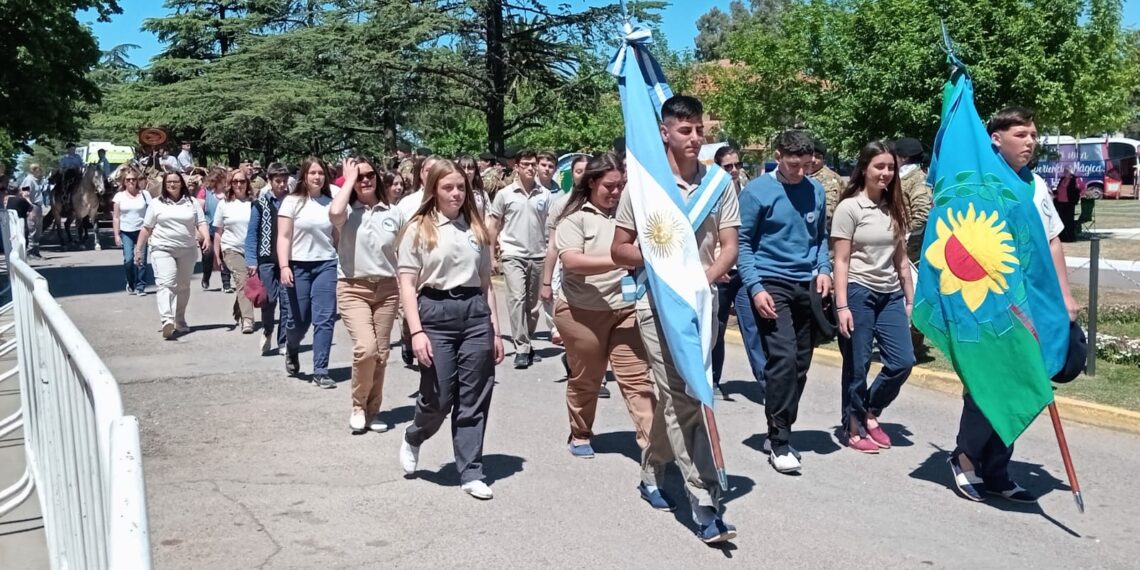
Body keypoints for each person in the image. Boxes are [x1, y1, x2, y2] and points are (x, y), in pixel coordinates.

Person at [611, 95, 740, 543]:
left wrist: (701, 280)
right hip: (655, 304)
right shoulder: (645, 188)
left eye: (699, 130)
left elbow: (729, 246)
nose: (695, 138)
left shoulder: (719, 183)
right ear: (664, 132)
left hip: (702, 302)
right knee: (684, 397)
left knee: (678, 399)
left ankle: (651, 473)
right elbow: (619, 249)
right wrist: (661, 261)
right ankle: (705, 503)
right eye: (685, 131)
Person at [949, 107, 1078, 504]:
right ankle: (965, 458)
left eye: (1034, 134)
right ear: (995, 138)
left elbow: (1052, 240)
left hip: (1033, 304)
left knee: (1026, 383)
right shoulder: (979, 184)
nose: (1030, 141)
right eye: (1021, 134)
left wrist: (1065, 297)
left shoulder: (1036, 185)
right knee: (990, 383)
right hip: (990, 305)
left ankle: (998, 469)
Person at [554, 153, 667, 493]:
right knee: (587, 378)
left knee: (637, 381)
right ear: (591, 183)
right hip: (581, 313)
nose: (616, 192)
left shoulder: (631, 218)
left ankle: (653, 449)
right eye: (609, 186)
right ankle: (580, 432)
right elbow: (572, 262)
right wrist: (621, 256)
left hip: (626, 310)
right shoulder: (574, 219)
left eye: (621, 186)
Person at [397, 159, 504, 500]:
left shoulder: (476, 228)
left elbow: (487, 283)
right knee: (440, 396)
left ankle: (471, 470)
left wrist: (496, 331)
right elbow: (407, 283)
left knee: (474, 396)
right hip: (434, 312)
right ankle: (415, 434)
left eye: (461, 187)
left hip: (473, 313)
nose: (456, 193)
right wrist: (416, 332)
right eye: (448, 187)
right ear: (434, 191)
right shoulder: (419, 228)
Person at [737, 130, 831, 474]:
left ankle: (780, 424)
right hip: (770, 281)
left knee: (801, 364)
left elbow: (819, 237)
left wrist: (824, 269)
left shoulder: (815, 190)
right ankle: (780, 441)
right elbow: (743, 242)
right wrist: (756, 287)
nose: (801, 172)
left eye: (808, 165)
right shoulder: (757, 192)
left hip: (807, 284)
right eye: (794, 164)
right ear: (778, 155)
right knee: (783, 358)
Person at [832, 141, 916, 454]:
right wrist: (842, 306)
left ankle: (869, 411)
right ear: (865, 169)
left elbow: (901, 259)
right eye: (879, 166)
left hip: (891, 293)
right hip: (858, 291)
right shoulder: (849, 208)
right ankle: (852, 426)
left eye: (891, 167)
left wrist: (910, 300)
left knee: (902, 362)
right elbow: (840, 260)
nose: (885, 173)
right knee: (858, 364)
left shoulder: (894, 206)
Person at [330, 156, 407, 434]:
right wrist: (348, 180)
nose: (365, 180)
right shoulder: (347, 212)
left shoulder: (393, 213)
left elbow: (404, 252)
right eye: (359, 176)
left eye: (369, 175)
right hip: (353, 287)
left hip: (386, 289)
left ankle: (373, 412)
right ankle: (357, 406)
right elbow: (335, 214)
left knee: (382, 354)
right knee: (366, 349)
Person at [277, 157, 338, 388]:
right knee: (299, 321)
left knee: (325, 319)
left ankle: (321, 370)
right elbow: (283, 237)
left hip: (326, 264)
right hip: (297, 266)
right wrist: (284, 266)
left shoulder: (331, 203)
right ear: (304, 176)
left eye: (321, 173)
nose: (317, 177)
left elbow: (337, 235)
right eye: (312, 172)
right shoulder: (292, 202)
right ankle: (292, 348)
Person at [710, 145, 764, 400]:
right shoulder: (710, 195)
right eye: (728, 166)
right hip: (721, 271)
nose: (734, 170)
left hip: (744, 272)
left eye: (737, 165)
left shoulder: (748, 191)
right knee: (716, 328)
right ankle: (712, 380)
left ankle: (766, 382)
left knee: (752, 325)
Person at [488, 149, 551, 369]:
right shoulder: (505, 194)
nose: (531, 168)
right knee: (516, 299)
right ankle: (522, 348)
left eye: (533, 164)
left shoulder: (545, 194)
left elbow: (550, 226)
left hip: (538, 254)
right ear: (517, 167)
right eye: (525, 164)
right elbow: (493, 225)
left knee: (533, 306)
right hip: (513, 254)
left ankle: (527, 338)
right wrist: (491, 255)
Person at [134, 172, 211, 339]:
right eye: (169, 182)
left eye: (175, 181)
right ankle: (167, 320)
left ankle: (179, 318)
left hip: (187, 248)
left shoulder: (192, 203)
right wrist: (138, 249)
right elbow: (147, 228)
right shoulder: (156, 203)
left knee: (183, 286)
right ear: (164, 184)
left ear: (181, 184)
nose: (172, 185)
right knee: (166, 283)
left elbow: (201, 222)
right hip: (162, 248)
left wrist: (207, 238)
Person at [245, 163, 293, 356]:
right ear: (270, 182)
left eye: (284, 181)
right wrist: (251, 260)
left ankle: (284, 341)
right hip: (266, 258)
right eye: (277, 181)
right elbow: (252, 234)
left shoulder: (293, 202)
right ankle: (267, 329)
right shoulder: (260, 204)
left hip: (288, 259)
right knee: (269, 299)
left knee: (287, 301)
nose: (281, 185)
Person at [213, 169, 255, 333]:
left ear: (247, 183)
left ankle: (240, 309)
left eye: (242, 181)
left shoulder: (254, 203)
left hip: (251, 250)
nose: (239, 184)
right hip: (231, 248)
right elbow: (218, 232)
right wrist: (217, 255)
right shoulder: (224, 204)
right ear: (230, 184)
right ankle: (248, 320)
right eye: (235, 181)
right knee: (242, 280)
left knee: (248, 284)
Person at [112, 167, 151, 296]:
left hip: (142, 231)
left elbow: (151, 214)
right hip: (126, 231)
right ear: (124, 182)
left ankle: (141, 286)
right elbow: (116, 217)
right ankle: (131, 282)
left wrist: (152, 232)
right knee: (128, 260)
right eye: (128, 180)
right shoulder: (119, 196)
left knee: (141, 260)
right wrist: (117, 235)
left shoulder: (145, 195)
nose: (131, 182)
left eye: (134, 179)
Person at [894, 138, 932, 263]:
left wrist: (901, 233)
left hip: (911, 248)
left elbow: (922, 213)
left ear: (904, 158)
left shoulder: (917, 179)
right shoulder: (902, 177)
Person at [198, 167, 232, 292]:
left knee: (224, 255)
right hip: (207, 229)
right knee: (208, 254)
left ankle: (226, 283)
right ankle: (206, 276)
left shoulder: (229, 193)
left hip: (224, 229)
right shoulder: (205, 192)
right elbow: (198, 210)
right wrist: (198, 229)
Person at [807, 138, 843, 229]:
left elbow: (828, 212)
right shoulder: (803, 175)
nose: (813, 160)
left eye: (818, 157)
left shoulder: (829, 178)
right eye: (810, 155)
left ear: (823, 160)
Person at [18, 164, 46, 258]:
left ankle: (36, 251)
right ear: (34, 170)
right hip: (33, 206)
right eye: (39, 170)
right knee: (32, 229)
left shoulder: (37, 180)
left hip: (38, 206)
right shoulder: (29, 180)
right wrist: (30, 205)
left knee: (38, 230)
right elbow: (25, 194)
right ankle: (30, 252)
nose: (40, 172)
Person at [1054, 168, 1080, 242]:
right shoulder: (1062, 179)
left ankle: (1071, 237)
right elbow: (1059, 189)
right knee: (1061, 220)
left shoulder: (1074, 180)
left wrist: (1075, 199)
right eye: (1064, 172)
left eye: (1067, 172)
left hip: (1069, 203)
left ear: (1070, 173)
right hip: (1060, 202)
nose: (1065, 173)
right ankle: (1063, 237)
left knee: (1069, 221)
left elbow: (1077, 190)